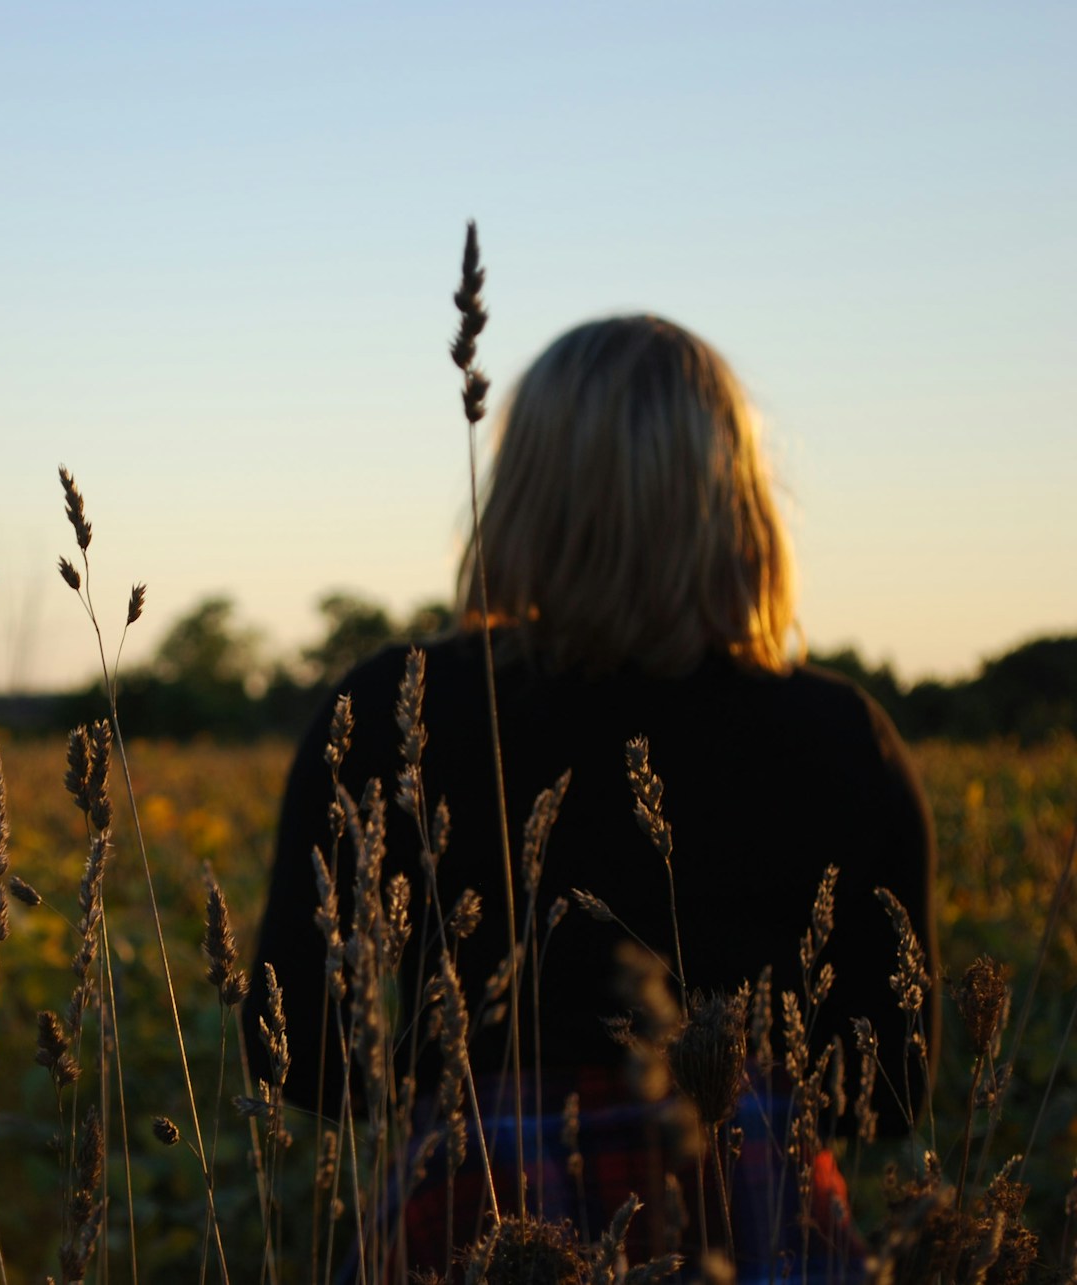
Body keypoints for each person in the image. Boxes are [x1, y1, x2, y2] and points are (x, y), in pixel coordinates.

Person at [244, 314, 936, 1277]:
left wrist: (466, 1095)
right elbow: (896, 1080)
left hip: (478, 1210)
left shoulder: (396, 706)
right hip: (757, 1214)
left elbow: (294, 1045)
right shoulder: (837, 732)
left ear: (523, 493)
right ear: (734, 498)